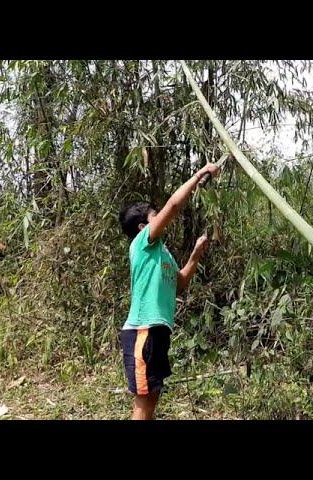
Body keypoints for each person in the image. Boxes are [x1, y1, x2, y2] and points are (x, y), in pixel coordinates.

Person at [117, 162, 219, 420]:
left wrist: (195, 254)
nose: (160, 217)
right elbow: (173, 207)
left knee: (152, 397)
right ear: (143, 226)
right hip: (143, 330)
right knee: (143, 403)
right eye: (154, 215)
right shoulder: (141, 244)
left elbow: (180, 283)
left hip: (158, 330)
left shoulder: (163, 253)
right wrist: (198, 176)